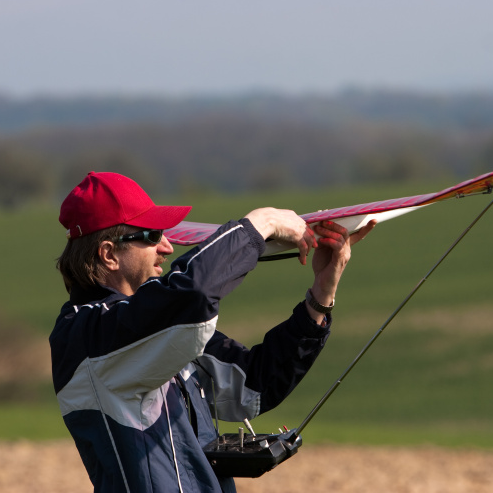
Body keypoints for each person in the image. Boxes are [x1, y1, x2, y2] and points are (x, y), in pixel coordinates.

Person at [50, 172, 375, 493]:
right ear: (109, 254)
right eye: (151, 235)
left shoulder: (146, 327)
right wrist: (262, 223)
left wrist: (321, 296)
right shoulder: (85, 334)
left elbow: (256, 384)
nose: (166, 245)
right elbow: (194, 294)